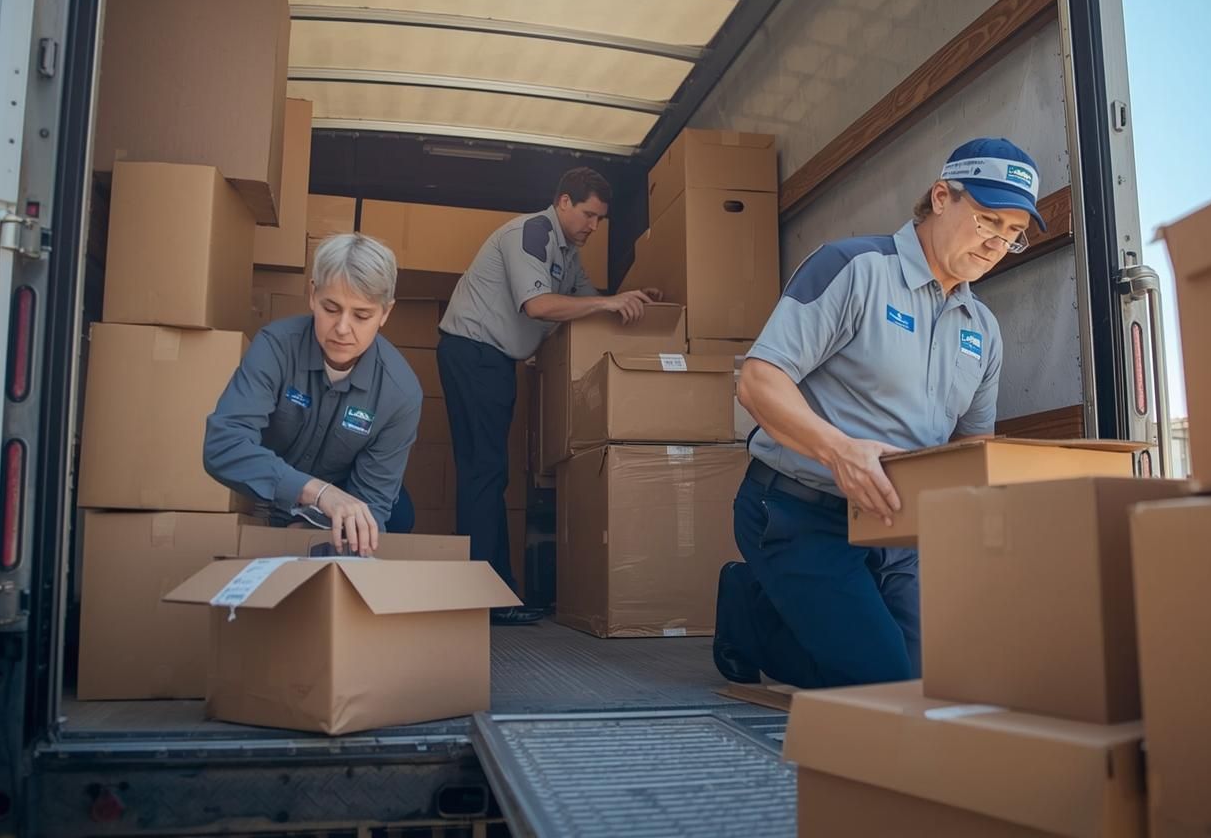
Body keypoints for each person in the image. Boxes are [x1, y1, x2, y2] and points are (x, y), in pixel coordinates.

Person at [714, 138, 1046, 687]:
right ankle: (748, 616)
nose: (996, 244)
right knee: (885, 683)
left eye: (1012, 234)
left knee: (940, 679)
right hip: (799, 513)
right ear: (942, 197)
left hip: (899, 533)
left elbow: (971, 453)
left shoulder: (982, 330)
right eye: (989, 220)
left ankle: (781, 609)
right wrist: (839, 451)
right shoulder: (853, 268)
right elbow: (758, 380)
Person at [438, 167, 661, 623]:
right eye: (587, 215)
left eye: (600, 220)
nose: (593, 227)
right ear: (562, 202)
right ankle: (484, 600)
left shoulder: (566, 252)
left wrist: (630, 299)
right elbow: (539, 306)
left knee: (489, 475)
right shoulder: (532, 233)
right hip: (473, 353)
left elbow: (589, 300)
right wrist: (607, 304)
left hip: (494, 361)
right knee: (483, 474)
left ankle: (496, 593)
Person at [204, 233, 422, 555]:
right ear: (312, 294)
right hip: (264, 491)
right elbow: (222, 445)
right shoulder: (275, 348)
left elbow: (373, 502)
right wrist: (315, 492)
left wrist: (312, 527)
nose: (343, 328)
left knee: (399, 510)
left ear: (386, 313)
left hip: (336, 514)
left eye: (362, 315)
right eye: (331, 308)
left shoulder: (400, 393)